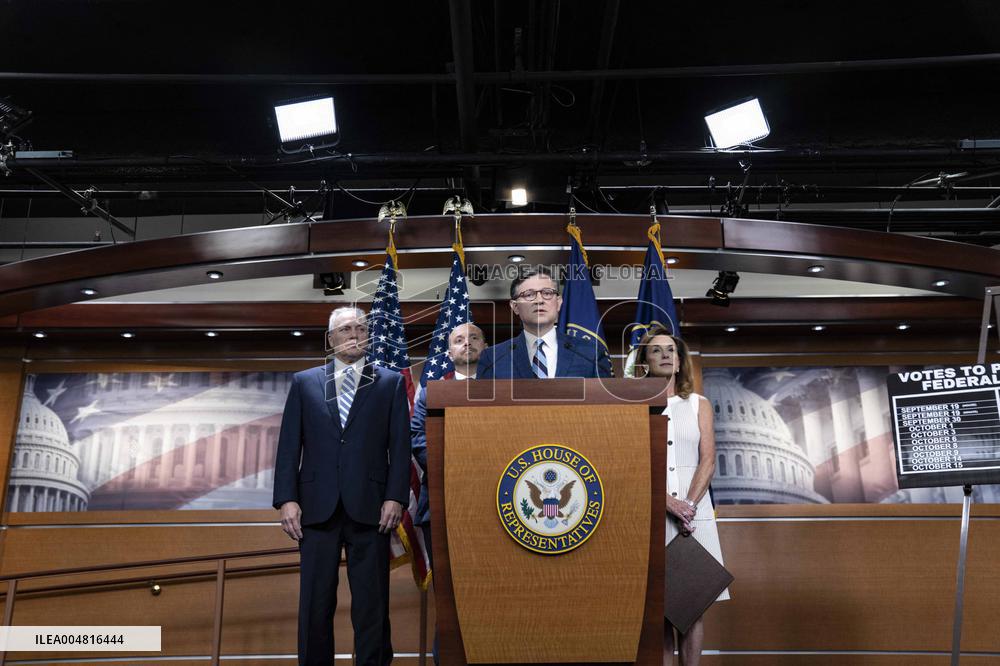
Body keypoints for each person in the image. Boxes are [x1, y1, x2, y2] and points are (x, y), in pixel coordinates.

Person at [272, 306, 410, 666]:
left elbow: (400, 445)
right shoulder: (304, 382)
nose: (354, 334)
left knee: (372, 605)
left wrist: (395, 496)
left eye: (361, 328)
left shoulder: (390, 382)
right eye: (345, 329)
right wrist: (287, 499)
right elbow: (290, 444)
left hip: (373, 508)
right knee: (315, 605)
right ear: (331, 339)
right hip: (316, 509)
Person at [634, 326, 728, 666]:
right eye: (656, 350)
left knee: (692, 608)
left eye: (670, 351)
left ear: (679, 362)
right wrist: (665, 502)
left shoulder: (698, 403)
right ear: (644, 360)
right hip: (654, 515)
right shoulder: (633, 405)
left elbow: (708, 458)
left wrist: (687, 505)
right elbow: (632, 464)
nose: (665, 356)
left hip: (695, 516)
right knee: (659, 610)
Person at [409, 322, 487, 665]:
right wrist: (462, 467)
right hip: (441, 506)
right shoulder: (430, 391)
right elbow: (418, 439)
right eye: (458, 340)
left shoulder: (505, 389)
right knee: (450, 598)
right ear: (449, 351)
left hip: (494, 507)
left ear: (484, 346)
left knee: (492, 594)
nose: (466, 344)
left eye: (473, 338)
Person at [476, 266, 612, 379]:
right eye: (529, 294)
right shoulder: (492, 358)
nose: (539, 300)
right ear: (515, 306)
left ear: (558, 302)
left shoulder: (590, 353)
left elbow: (606, 404)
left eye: (547, 293)